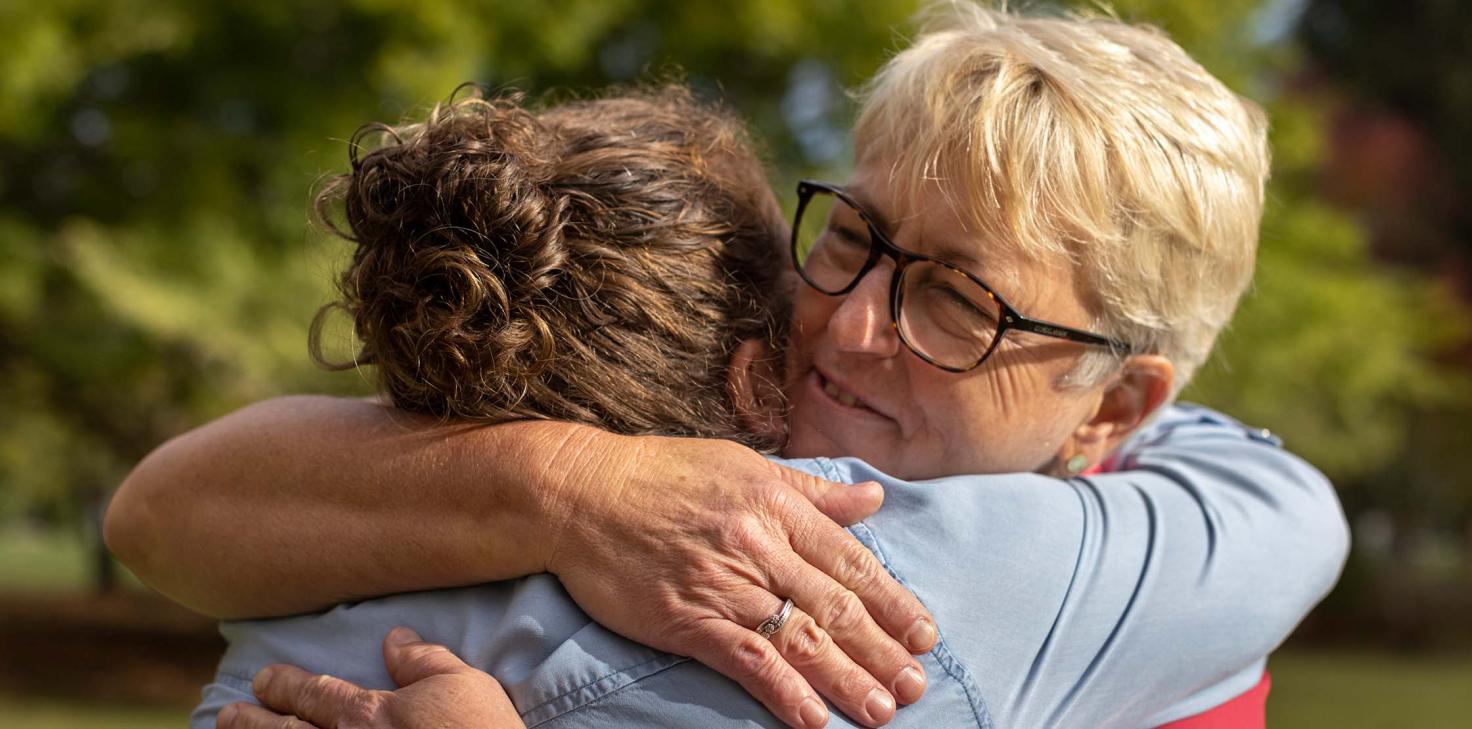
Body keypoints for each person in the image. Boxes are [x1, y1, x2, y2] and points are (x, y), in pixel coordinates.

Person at [106, 4, 1348, 728]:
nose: (851, 322)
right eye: (855, 236)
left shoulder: (968, 590)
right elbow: (161, 513)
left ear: (1117, 406)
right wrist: (572, 482)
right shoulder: (655, 429)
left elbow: (173, 515)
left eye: (961, 304)